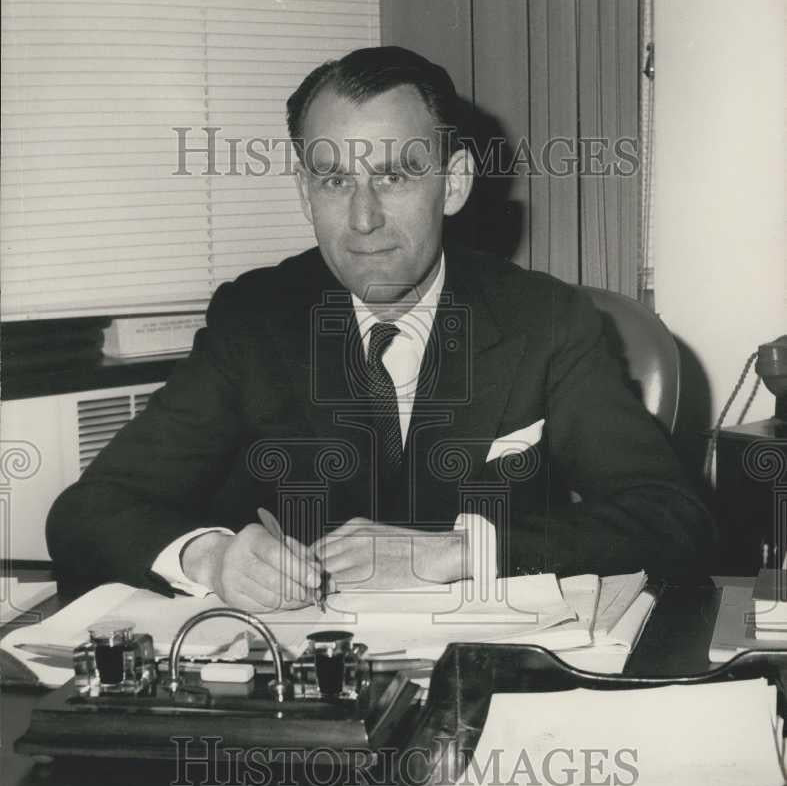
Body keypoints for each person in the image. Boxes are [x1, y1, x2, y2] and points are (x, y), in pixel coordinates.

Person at [47, 46, 713, 611]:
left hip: (482, 672)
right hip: (306, 695)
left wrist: (464, 551)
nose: (362, 218)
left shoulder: (545, 320)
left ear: (451, 185)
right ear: (305, 194)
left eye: (393, 176)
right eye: (334, 181)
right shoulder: (255, 319)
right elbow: (90, 511)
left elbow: (671, 517)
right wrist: (212, 558)